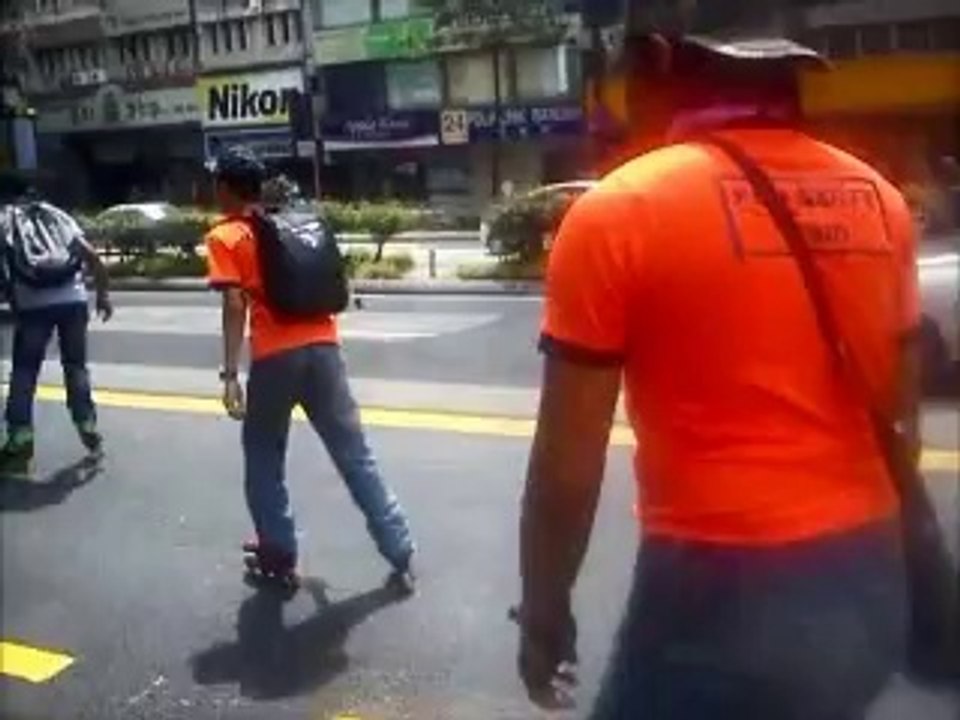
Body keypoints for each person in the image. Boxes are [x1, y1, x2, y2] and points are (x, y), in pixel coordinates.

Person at [517, 35, 920, 718]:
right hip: (870, 570)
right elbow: (902, 413)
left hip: (717, 588)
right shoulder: (881, 200)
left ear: (666, 70)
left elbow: (568, 466)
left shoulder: (621, 210)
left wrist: (543, 610)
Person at [204, 147, 415, 590]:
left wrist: (230, 376)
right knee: (354, 453)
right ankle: (399, 545)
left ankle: (278, 553)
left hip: (276, 358)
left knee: (264, 455)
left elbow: (234, 304)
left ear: (224, 187)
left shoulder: (226, 236)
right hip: (325, 349)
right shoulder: (291, 224)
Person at [0, 172, 113, 477]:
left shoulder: (5, 219)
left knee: (25, 371)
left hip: (33, 305)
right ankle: (87, 423)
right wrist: (103, 296)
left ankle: (20, 440)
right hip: (74, 301)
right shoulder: (56, 215)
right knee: (75, 366)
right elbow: (93, 258)